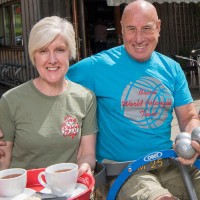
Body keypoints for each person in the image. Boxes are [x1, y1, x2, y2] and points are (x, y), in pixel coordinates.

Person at [66, 1, 200, 199]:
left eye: (146, 28)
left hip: (168, 163)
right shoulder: (97, 67)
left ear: (158, 27)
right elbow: (52, 81)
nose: (139, 38)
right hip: (124, 172)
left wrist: (194, 140)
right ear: (121, 29)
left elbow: (188, 117)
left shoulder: (171, 69)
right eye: (131, 29)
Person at [0, 16, 98, 177]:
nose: (52, 60)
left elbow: (87, 153)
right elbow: (3, 163)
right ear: (34, 55)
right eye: (43, 50)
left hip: (69, 189)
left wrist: (85, 167)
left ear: (70, 53)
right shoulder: (10, 101)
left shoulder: (85, 98)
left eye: (59, 50)